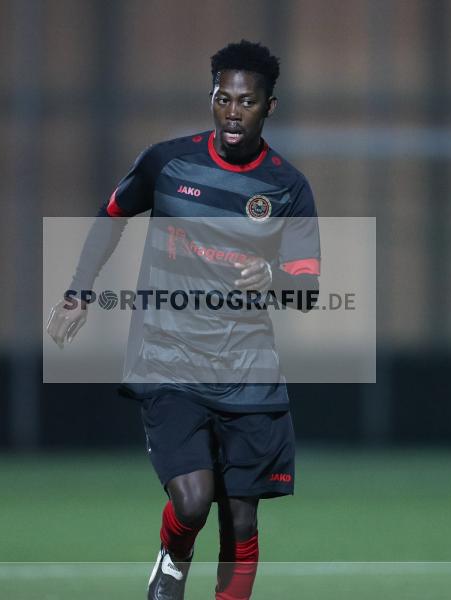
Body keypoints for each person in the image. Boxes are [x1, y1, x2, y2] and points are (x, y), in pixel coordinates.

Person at [47, 40, 320, 600]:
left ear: (269, 107)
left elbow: (307, 289)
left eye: (247, 101)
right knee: (193, 501)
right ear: (212, 98)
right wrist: (80, 292)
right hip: (168, 358)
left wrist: (274, 278)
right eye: (224, 98)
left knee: (241, 522)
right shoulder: (168, 163)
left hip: (247, 370)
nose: (233, 111)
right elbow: (112, 216)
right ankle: (172, 559)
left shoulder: (288, 188)